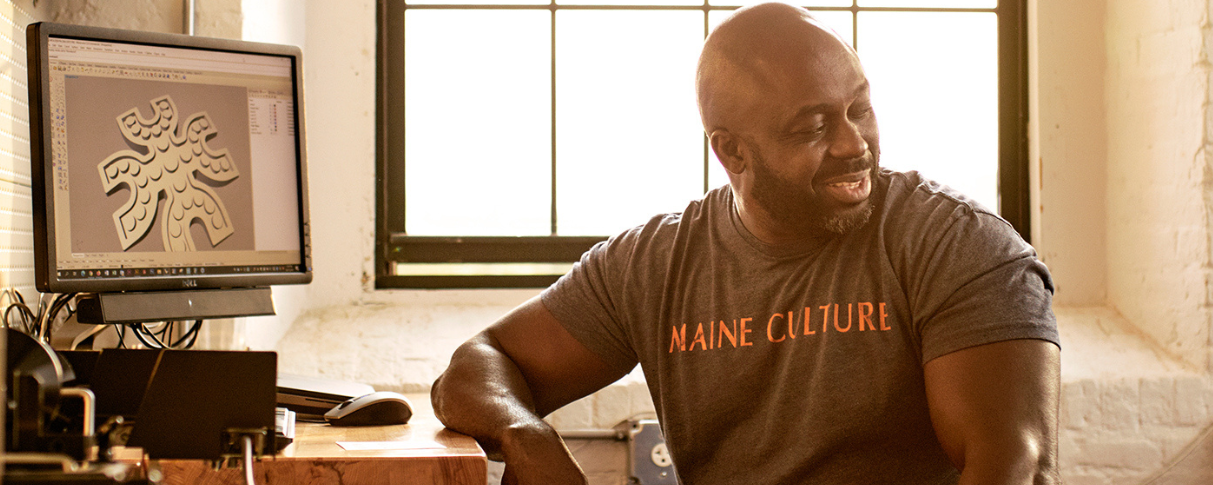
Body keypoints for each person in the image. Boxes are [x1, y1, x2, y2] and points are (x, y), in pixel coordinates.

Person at [431, 3, 1061, 484]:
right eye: (814, 126)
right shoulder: (656, 264)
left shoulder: (955, 244)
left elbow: (1014, 469)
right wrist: (524, 434)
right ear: (731, 150)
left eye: (859, 110)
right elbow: (477, 364)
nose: (853, 144)